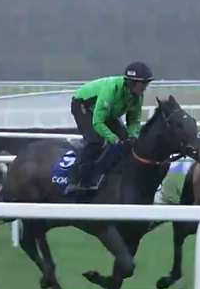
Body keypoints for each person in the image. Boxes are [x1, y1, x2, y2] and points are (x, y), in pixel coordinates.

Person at [63, 62, 154, 195]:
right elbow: (98, 122)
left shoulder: (137, 97)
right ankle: (74, 181)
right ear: (131, 82)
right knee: (96, 141)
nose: (145, 87)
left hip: (107, 112)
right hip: (83, 106)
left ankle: (104, 174)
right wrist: (114, 139)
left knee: (127, 142)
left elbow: (134, 121)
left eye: (146, 83)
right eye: (143, 83)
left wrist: (133, 136)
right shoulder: (111, 91)